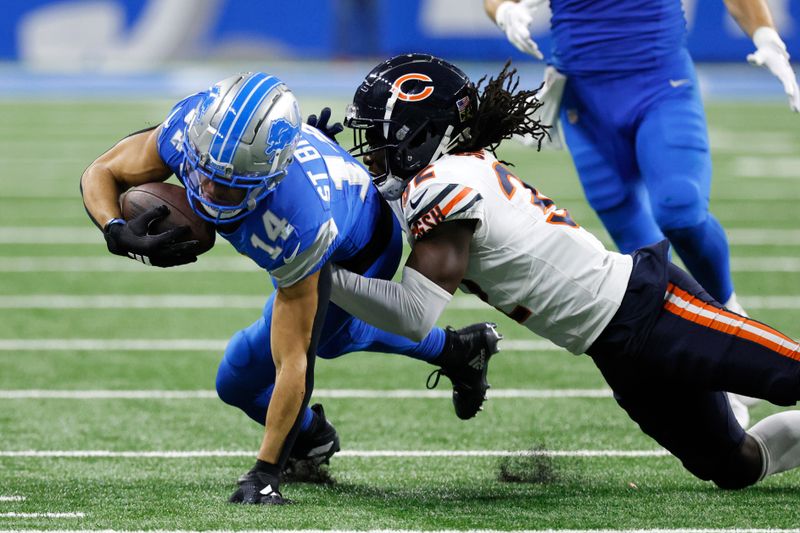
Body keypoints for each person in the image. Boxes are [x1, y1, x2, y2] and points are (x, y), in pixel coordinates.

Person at [332, 53, 800, 490]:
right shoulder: (448, 175)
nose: (370, 151)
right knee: (733, 465)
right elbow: (387, 209)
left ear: (421, 133)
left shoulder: (442, 185)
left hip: (652, 308)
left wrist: (318, 273)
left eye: (379, 137)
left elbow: (414, 315)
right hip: (613, 349)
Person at [79, 71, 501, 504]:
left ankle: (319, 433)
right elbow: (104, 170)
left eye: (229, 186)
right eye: (205, 175)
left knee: (314, 344)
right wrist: (113, 228)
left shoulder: (298, 218)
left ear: (270, 176)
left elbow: (294, 360)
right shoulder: (187, 132)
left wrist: (265, 472)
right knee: (238, 378)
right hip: (322, 199)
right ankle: (454, 353)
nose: (209, 191)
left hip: (359, 247)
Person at [484, 0, 800, 425]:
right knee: (648, 260)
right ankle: (713, 375)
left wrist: (764, 34)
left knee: (681, 212)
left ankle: (731, 317)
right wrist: (504, 10)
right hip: (584, 99)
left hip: (659, 82)